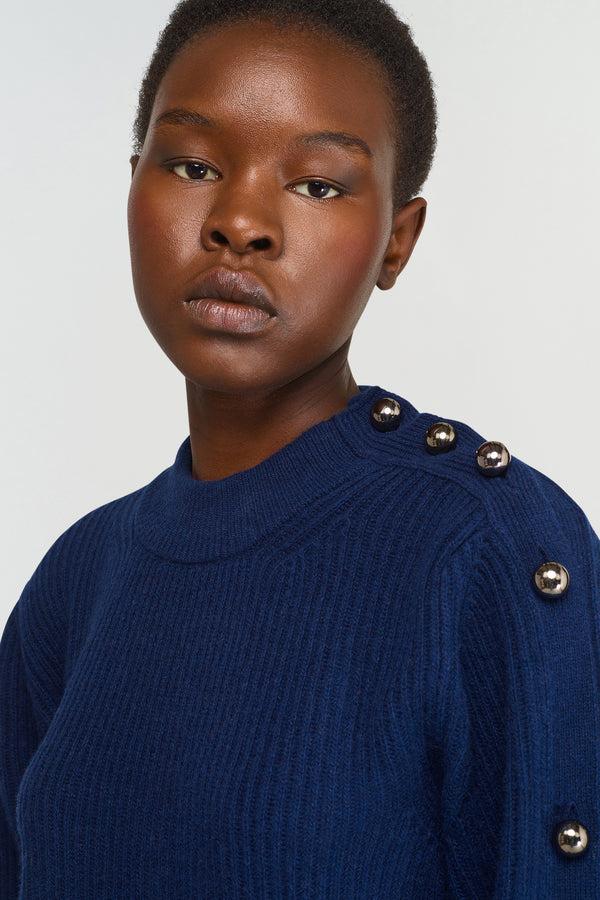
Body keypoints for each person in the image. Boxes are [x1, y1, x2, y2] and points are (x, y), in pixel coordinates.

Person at [1, 0, 599, 896]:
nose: (240, 222)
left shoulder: (489, 548)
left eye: (317, 185)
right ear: (134, 188)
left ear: (397, 240)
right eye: (193, 165)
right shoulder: (78, 579)